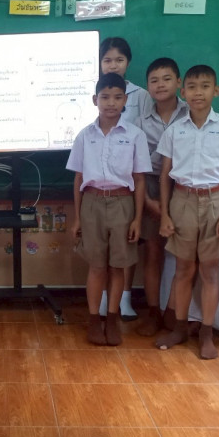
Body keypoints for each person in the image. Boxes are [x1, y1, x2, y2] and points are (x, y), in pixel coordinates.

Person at [156, 65, 219, 359]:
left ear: (216, 91)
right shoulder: (174, 130)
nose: (198, 93)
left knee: (210, 272)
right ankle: (180, 327)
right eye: (192, 87)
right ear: (183, 92)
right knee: (183, 270)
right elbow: (164, 175)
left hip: (214, 201)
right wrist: (165, 215)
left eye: (205, 86)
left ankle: (207, 332)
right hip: (182, 200)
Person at [67, 73, 152, 346]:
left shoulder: (135, 135)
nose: (111, 103)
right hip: (91, 203)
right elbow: (78, 179)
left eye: (117, 97)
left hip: (122, 203)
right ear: (95, 100)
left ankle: (112, 319)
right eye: (105, 97)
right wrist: (77, 217)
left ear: (125, 100)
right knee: (96, 266)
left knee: (117, 267)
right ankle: (95, 319)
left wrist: (137, 218)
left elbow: (140, 180)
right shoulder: (84, 135)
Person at [98, 37, 156, 321]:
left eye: (119, 60)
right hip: (101, 177)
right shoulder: (97, 91)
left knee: (126, 245)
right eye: (108, 60)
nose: (113, 65)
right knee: (102, 247)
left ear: (128, 63)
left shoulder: (141, 95)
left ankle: (125, 298)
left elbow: (144, 131)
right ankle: (103, 298)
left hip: (130, 177)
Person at [136, 57, 189, 336]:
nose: (160, 85)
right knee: (153, 253)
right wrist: (147, 200)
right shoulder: (140, 122)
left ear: (179, 82)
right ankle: (153, 311)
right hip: (151, 186)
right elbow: (134, 166)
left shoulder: (192, 114)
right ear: (147, 86)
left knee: (183, 255)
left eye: (167, 79)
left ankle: (174, 312)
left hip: (183, 187)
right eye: (154, 81)